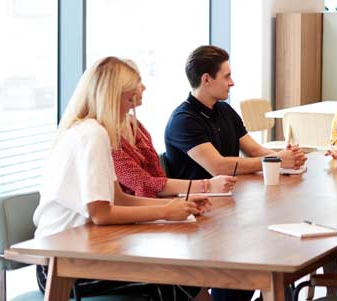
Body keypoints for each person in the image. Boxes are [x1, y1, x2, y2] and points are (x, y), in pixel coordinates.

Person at [33, 57, 210, 300]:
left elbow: (119, 199)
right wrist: (165, 212)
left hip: (85, 252)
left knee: (185, 276)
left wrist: (179, 205)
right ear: (110, 97)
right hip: (63, 265)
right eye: (128, 100)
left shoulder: (93, 131)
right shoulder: (91, 135)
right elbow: (101, 214)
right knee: (177, 280)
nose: (130, 108)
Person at [165, 45, 306, 181]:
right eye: (226, 77)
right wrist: (277, 160)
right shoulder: (183, 121)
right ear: (206, 79)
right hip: (200, 201)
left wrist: (289, 158)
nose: (231, 83)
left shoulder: (225, 110)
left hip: (231, 193)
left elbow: (254, 150)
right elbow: (218, 167)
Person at [111, 60, 236, 198]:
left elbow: (157, 176)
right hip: (141, 212)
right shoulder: (183, 119)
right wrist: (206, 186)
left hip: (156, 206)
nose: (144, 87)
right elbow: (143, 183)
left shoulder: (134, 125)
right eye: (138, 82)